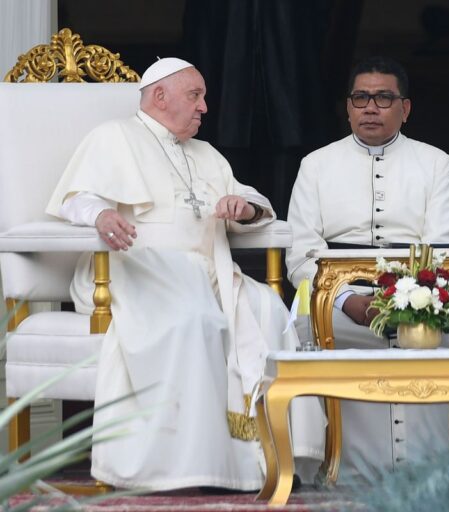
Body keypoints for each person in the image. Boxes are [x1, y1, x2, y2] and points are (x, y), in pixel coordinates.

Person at [45, 58, 325, 491]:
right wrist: (101, 214)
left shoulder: (205, 153)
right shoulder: (114, 137)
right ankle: (185, 466)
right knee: (194, 317)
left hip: (207, 270)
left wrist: (244, 207)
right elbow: (75, 198)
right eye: (196, 96)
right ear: (160, 96)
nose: (205, 108)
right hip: (136, 266)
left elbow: (248, 195)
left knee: (269, 309)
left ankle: (264, 459)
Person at [286, 56, 449, 478]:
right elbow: (301, 252)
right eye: (361, 97)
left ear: (405, 108)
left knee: (440, 331)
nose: (370, 107)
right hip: (334, 297)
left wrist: (403, 299)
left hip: (417, 294)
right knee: (295, 334)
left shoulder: (435, 162)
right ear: (347, 107)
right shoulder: (316, 164)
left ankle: (434, 469)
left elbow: (443, 245)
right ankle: (331, 468)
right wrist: (346, 299)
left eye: (384, 98)